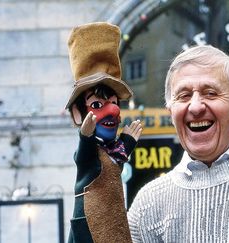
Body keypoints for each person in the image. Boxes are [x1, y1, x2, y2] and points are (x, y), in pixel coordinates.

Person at [127, 45, 229, 242]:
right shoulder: (147, 205)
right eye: (184, 95)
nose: (195, 107)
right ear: (170, 112)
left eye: (210, 93)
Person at [66, 22, 142, 243]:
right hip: (90, 228)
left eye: (114, 103)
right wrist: (85, 136)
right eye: (97, 105)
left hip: (115, 223)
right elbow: (85, 153)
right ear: (77, 114)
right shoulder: (87, 156)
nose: (113, 110)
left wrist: (127, 140)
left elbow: (116, 161)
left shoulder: (114, 151)